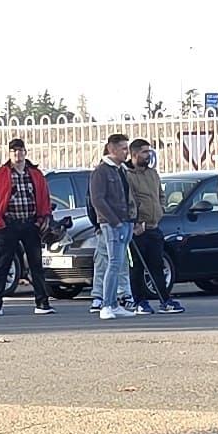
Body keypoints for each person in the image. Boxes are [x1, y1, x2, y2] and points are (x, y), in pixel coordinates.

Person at [0, 139, 57, 314]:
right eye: (14, 151)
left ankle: (42, 303)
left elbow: (44, 197)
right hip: (8, 224)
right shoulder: (0, 175)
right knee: (2, 265)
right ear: (9, 154)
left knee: (36, 265)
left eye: (20, 151)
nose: (17, 154)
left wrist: (42, 218)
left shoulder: (35, 174)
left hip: (30, 224)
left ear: (25, 152)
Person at [86, 135, 142, 319]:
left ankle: (115, 304)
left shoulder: (122, 170)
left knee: (119, 265)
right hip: (112, 224)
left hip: (126, 222)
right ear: (112, 149)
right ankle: (106, 305)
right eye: (123, 148)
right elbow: (97, 200)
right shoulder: (101, 171)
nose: (127, 152)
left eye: (127, 148)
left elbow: (130, 196)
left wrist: (132, 220)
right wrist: (114, 221)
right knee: (113, 263)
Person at [129, 137, 183, 316]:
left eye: (149, 151)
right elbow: (129, 200)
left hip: (154, 227)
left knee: (157, 265)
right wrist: (136, 221)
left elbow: (160, 195)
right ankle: (139, 301)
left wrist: (160, 209)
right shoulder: (127, 175)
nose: (148, 155)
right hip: (138, 229)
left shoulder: (152, 174)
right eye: (144, 152)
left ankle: (165, 300)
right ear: (135, 154)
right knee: (137, 267)